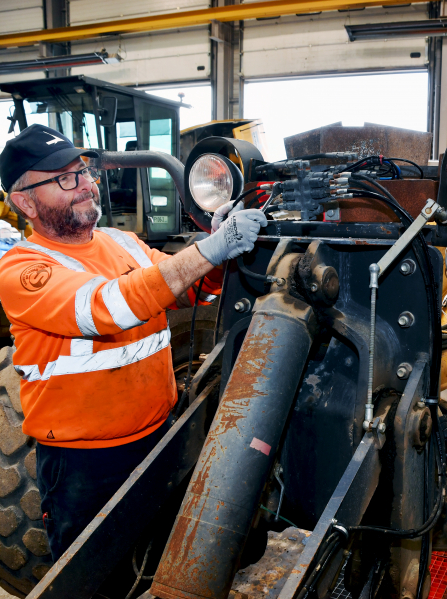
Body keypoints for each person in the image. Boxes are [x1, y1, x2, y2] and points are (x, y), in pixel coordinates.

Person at [0, 124, 266, 560]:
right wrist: (209, 250)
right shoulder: (24, 270)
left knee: (164, 562)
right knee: (97, 580)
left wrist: (221, 247)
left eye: (84, 172)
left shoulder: (121, 241)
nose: (85, 186)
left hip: (160, 440)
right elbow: (105, 307)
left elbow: (189, 288)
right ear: (24, 201)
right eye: (64, 179)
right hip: (85, 468)